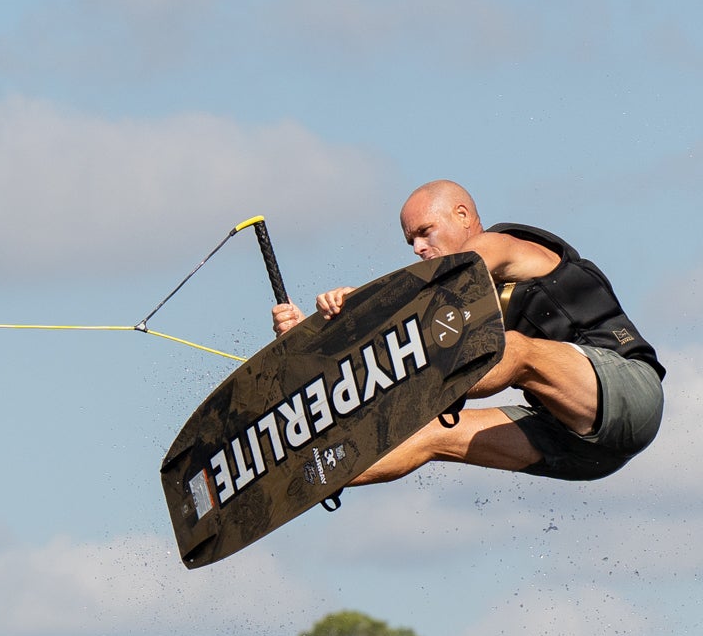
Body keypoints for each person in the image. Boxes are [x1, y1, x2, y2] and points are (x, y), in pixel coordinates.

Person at [272, 181, 665, 486]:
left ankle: (405, 391)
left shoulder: (502, 245)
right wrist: (315, 337)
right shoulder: (451, 309)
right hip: (580, 448)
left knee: (510, 349)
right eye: (412, 241)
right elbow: (416, 313)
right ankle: (305, 475)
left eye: (425, 232)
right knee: (429, 435)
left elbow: (448, 283)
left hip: (626, 391)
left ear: (462, 215)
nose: (418, 248)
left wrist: (358, 305)